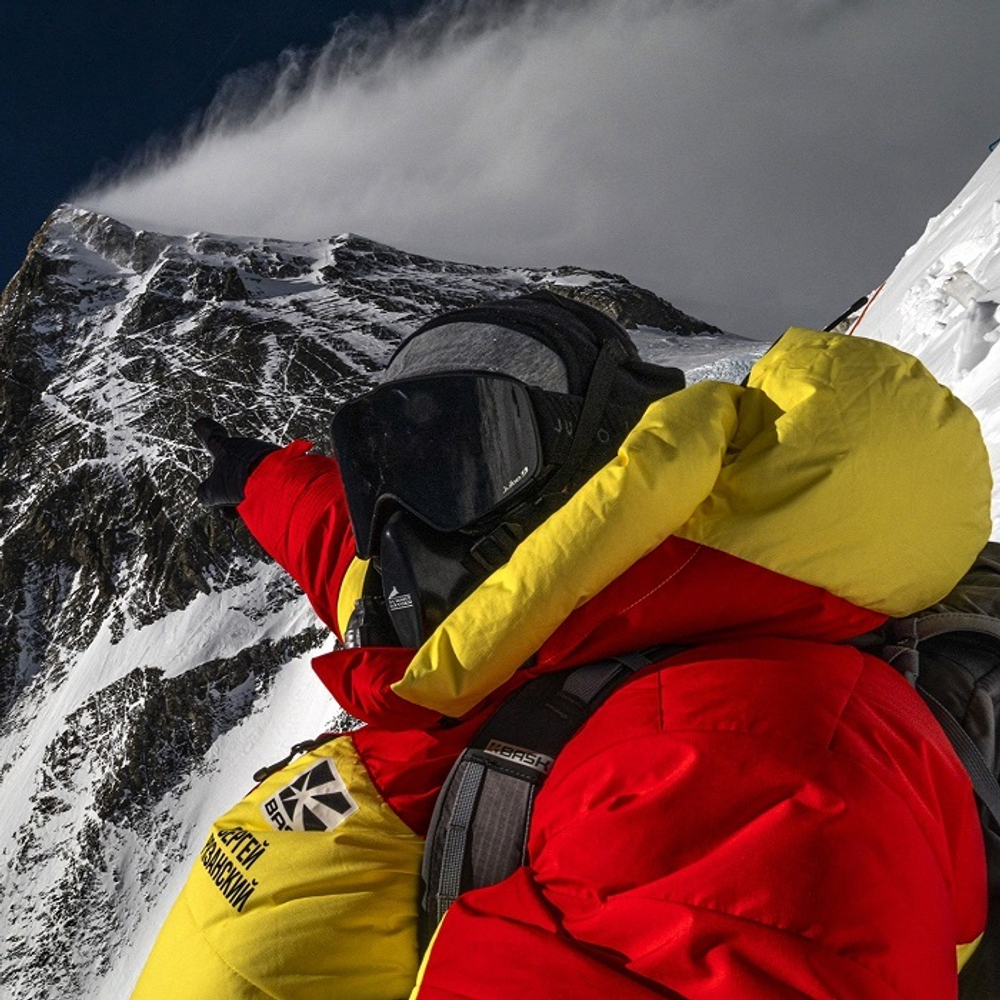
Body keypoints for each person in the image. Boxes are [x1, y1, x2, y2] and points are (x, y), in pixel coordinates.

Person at [133, 292, 991, 999]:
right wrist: (260, 479)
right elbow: (352, 546)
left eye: (467, 463)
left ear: (607, 473)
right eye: (380, 473)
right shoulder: (489, 634)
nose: (397, 523)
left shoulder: (746, 762)